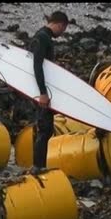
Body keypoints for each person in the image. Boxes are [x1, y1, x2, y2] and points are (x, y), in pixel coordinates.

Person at [29, 11, 69, 174]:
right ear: (59, 24)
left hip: (42, 89)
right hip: (41, 91)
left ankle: (40, 165)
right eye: (64, 29)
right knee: (44, 129)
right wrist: (43, 93)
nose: (63, 32)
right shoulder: (42, 37)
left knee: (46, 129)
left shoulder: (44, 37)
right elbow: (37, 65)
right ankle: (37, 167)